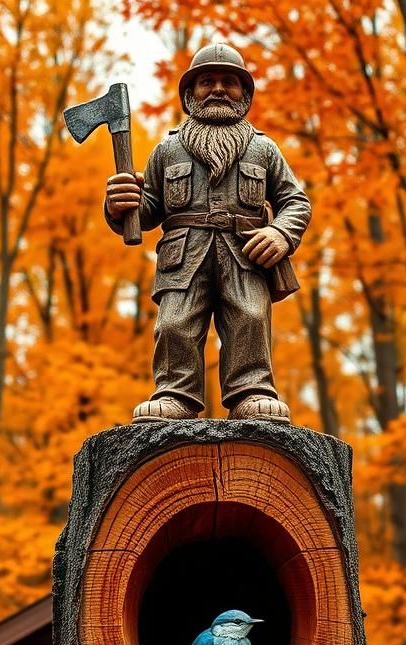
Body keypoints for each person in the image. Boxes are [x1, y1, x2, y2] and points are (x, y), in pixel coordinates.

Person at [105, 43, 312, 423]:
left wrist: (282, 234)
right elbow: (148, 209)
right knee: (174, 323)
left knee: (249, 318)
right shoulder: (168, 149)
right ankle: (175, 393)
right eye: (207, 81)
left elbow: (295, 201)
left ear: (244, 95)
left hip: (245, 254)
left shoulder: (263, 149)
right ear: (190, 95)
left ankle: (252, 391)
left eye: (228, 82)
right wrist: (121, 204)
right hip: (183, 257)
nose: (217, 89)